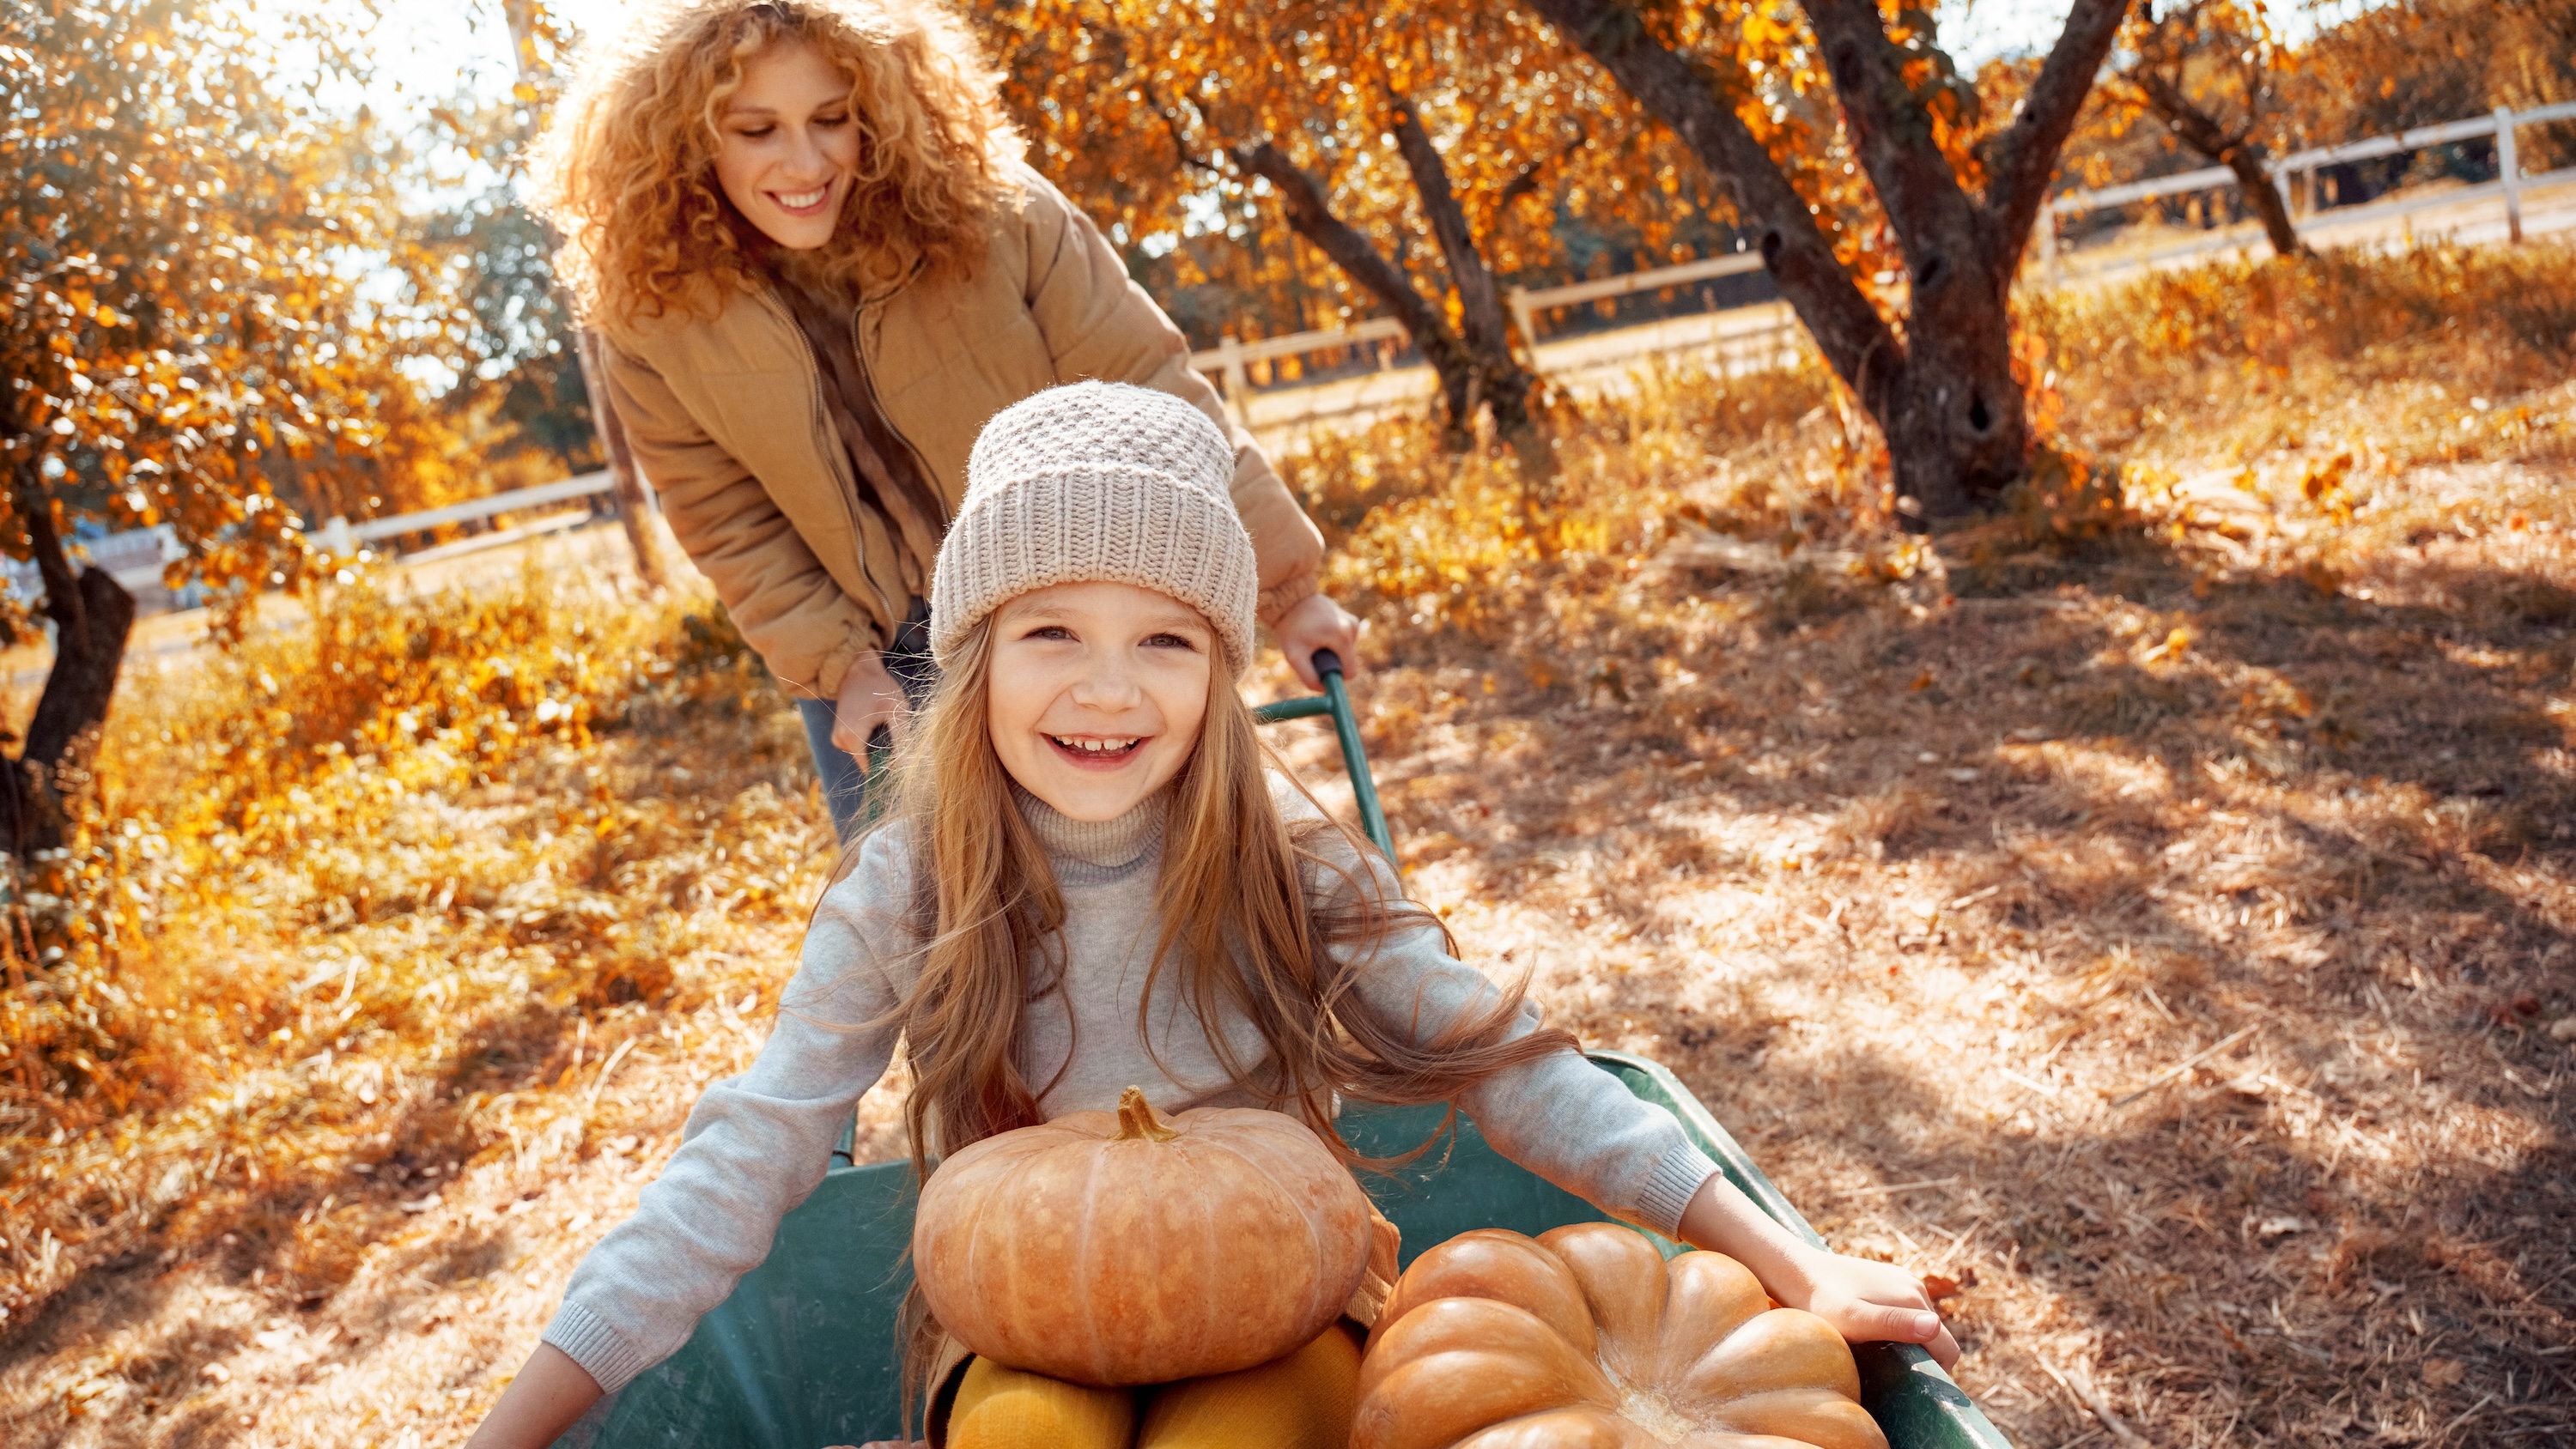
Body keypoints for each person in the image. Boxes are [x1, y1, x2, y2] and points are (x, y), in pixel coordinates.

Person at [463, 384, 1956, 1449]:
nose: (1108, 688)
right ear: (973, 656)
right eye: (1051, 630)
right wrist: (516, 1427)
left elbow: (1505, 1056)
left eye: (1166, 640)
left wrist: (1791, 1262)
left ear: (1220, 671)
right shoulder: (909, 882)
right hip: (1020, 1310)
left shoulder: (1282, 851)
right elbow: (751, 1149)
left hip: (1281, 1301)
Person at [531, 0, 1361, 840]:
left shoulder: (996, 214)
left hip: (1076, 609)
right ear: (685, 135)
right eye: (756, 131)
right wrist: (840, 666)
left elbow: (1157, 388)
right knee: (931, 940)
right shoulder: (652, 317)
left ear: (880, 109)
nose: (805, 160)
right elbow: (727, 522)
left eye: (832, 119)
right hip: (884, 663)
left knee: (1179, 878)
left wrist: (1289, 592)